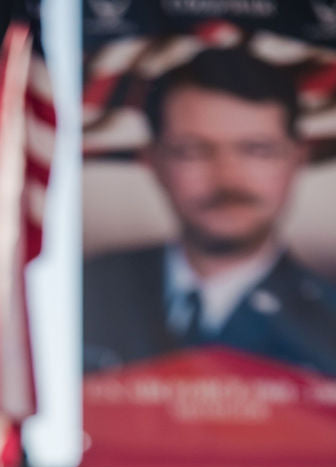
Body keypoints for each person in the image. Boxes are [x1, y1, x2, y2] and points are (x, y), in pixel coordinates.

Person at [83, 47, 336, 376]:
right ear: (153, 160)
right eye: (193, 151)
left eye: (257, 150)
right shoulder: (81, 293)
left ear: (298, 158)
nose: (227, 179)